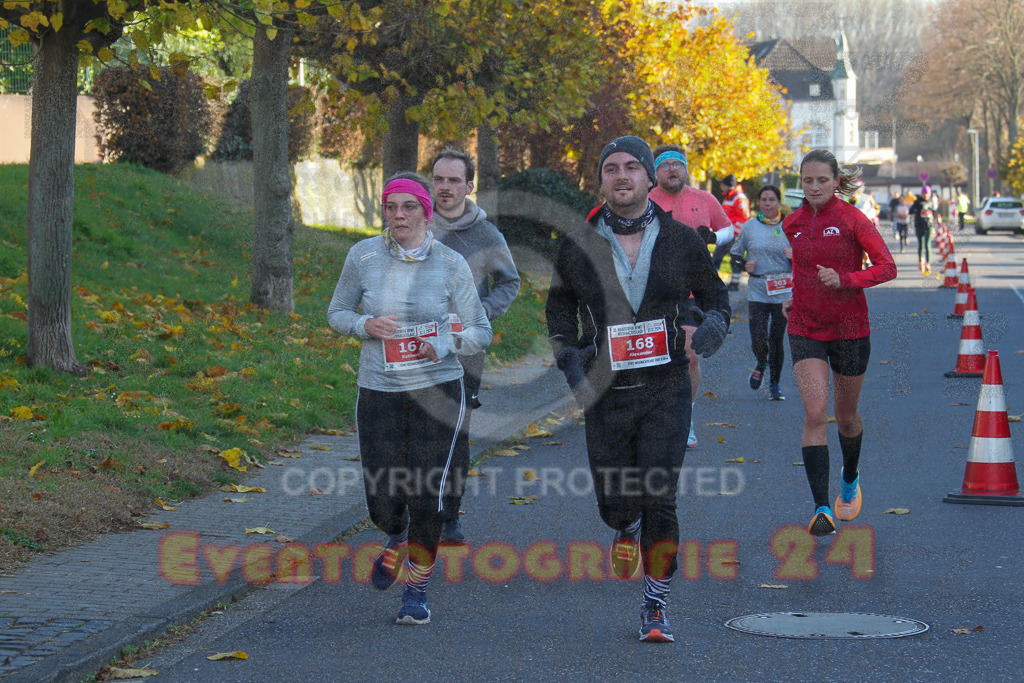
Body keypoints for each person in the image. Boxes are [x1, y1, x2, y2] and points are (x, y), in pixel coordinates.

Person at [546, 136, 730, 642]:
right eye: (611, 168)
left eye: (632, 167)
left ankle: (655, 604)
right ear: (600, 181)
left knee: (660, 495)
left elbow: (715, 294)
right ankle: (624, 528)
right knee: (616, 502)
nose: (622, 175)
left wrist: (714, 324)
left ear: (650, 179)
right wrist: (570, 356)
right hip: (605, 391)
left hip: (665, 386)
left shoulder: (682, 239)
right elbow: (559, 309)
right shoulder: (577, 243)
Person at [327, 173, 492, 625]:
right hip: (379, 388)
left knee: (427, 495)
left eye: (409, 207)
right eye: (391, 207)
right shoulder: (362, 256)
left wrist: (442, 345)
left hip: (438, 389)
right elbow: (336, 311)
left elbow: (480, 331)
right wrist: (365, 326)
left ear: (426, 212)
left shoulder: (452, 263)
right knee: (382, 499)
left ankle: (416, 591)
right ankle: (394, 535)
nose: (399, 215)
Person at [782, 149, 896, 537]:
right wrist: (794, 298)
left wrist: (846, 279)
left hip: (849, 330)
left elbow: (887, 267)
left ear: (835, 181)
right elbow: (802, 270)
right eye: (808, 180)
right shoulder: (791, 223)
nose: (814, 187)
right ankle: (820, 508)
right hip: (804, 327)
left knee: (845, 417)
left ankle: (850, 477)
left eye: (822, 180)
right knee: (816, 414)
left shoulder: (852, 219)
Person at [428, 147, 521, 544]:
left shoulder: (486, 234)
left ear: (469, 186)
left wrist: (480, 312)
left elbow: (510, 282)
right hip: (409, 347)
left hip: (464, 351)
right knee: (408, 429)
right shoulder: (412, 220)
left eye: (454, 180)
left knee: (452, 430)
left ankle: (448, 517)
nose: (445, 187)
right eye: (439, 179)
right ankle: (409, 516)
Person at [649, 144, 734, 448]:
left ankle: (686, 417)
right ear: (655, 171)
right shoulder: (645, 200)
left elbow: (729, 230)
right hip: (650, 292)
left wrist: (713, 237)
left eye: (677, 164)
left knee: (690, 355)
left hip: (690, 291)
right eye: (664, 165)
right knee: (652, 359)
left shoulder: (704, 199)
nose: (672, 169)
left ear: (686, 169)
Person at [730, 185, 791, 401]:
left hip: (783, 291)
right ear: (759, 203)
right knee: (758, 338)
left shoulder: (790, 227)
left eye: (772, 200)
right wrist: (745, 264)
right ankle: (761, 361)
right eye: (764, 200)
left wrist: (794, 257)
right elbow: (735, 255)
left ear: (779, 202)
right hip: (757, 290)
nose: (768, 204)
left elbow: (806, 258)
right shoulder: (749, 228)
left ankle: (774, 385)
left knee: (776, 339)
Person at [717, 174, 750, 291]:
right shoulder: (728, 197)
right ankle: (713, 281)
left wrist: (735, 233)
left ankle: (735, 283)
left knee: (735, 260)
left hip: (734, 235)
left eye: (723, 185)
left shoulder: (739, 198)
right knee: (717, 257)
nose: (721, 188)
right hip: (726, 233)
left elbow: (744, 218)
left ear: (728, 186)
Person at [909, 185, 935, 273]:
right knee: (921, 244)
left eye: (927, 194)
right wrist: (916, 208)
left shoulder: (931, 202)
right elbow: (911, 211)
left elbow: (935, 211)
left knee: (928, 245)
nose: (926, 195)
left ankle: (928, 263)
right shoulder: (917, 201)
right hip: (919, 226)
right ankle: (920, 261)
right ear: (922, 193)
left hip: (929, 226)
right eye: (924, 193)